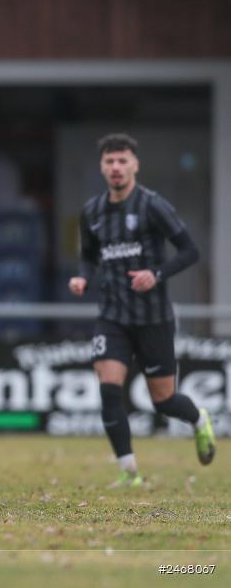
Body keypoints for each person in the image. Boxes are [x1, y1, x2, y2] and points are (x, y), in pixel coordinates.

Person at [68, 133, 215, 487]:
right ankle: (129, 471)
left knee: (163, 400)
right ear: (102, 167)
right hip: (113, 317)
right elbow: (88, 256)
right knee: (108, 389)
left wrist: (157, 273)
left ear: (135, 165)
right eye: (110, 162)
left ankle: (199, 419)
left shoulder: (152, 205)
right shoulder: (92, 212)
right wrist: (83, 278)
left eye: (122, 161)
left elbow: (189, 251)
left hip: (154, 318)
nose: (116, 168)